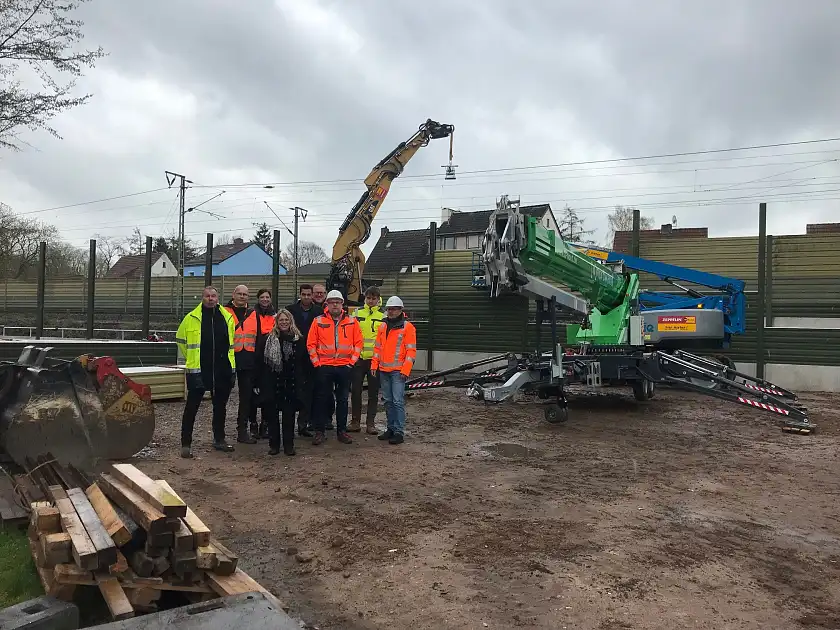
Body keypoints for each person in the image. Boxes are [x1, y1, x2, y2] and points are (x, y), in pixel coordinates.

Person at [176, 286, 237, 458]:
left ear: (218, 298)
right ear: (202, 298)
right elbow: (180, 340)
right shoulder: (191, 318)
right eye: (207, 296)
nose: (210, 299)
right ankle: (186, 443)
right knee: (191, 408)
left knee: (220, 407)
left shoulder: (227, 317)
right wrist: (191, 360)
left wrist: (231, 368)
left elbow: (231, 344)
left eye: (213, 296)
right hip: (199, 370)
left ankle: (219, 439)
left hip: (222, 369)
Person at [306, 289, 362, 446]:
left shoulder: (352, 321)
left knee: (343, 400)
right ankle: (319, 431)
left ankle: (341, 431)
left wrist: (352, 362)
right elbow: (311, 344)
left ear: (342, 304)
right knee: (321, 399)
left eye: (338, 302)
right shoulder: (318, 321)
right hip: (324, 366)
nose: (335, 304)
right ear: (327, 304)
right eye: (332, 302)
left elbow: (358, 342)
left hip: (345, 367)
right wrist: (317, 363)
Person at [371, 296, 417, 445]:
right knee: (388, 401)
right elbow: (377, 348)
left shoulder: (407, 327)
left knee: (397, 401)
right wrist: (374, 365)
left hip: (398, 371)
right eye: (389, 309)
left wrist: (406, 369)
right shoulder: (383, 326)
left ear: (400, 310)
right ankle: (390, 428)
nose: (391, 312)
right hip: (384, 370)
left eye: (394, 309)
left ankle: (398, 431)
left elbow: (411, 351)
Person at [261, 309, 306, 456]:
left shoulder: (298, 339)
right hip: (273, 382)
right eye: (281, 320)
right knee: (272, 417)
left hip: (291, 383)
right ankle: (274, 446)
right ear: (276, 322)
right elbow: (262, 363)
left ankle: (289, 446)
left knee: (289, 417)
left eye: (286, 320)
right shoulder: (268, 339)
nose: (284, 322)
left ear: (291, 321)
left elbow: (302, 362)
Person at [223, 285, 257, 444]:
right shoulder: (224, 311)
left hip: (248, 358)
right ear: (233, 295)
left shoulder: (253, 314)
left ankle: (242, 431)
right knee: (222, 396)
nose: (242, 297)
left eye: (245, 294)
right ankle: (219, 433)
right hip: (228, 358)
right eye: (240, 294)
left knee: (246, 397)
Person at [349, 286, 384, 434]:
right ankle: (355, 422)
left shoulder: (383, 317)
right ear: (365, 298)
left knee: (373, 393)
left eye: (374, 298)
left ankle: (370, 423)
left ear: (378, 300)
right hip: (358, 359)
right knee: (356, 391)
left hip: (375, 361)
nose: (371, 301)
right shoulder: (356, 314)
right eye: (369, 298)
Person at [244, 288, 277, 440]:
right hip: (253, 358)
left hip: (268, 360)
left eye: (267, 297)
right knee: (251, 394)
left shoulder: (275, 316)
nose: (265, 299)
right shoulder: (251, 314)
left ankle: (265, 423)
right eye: (262, 297)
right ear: (258, 299)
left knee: (268, 394)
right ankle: (253, 423)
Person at [287, 284, 318, 437]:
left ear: (312, 295)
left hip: (313, 357)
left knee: (309, 391)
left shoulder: (318, 312)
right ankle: (289, 425)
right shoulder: (291, 310)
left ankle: (304, 424)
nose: (306, 297)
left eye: (308, 294)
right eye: (303, 294)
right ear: (300, 294)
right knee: (294, 391)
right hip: (294, 356)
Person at [310, 283, 334, 431]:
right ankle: (312, 419)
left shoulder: (330, 311)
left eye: (322, 293)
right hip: (311, 358)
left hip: (327, 361)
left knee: (328, 392)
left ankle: (327, 418)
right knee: (312, 391)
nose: (319, 295)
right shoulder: (305, 309)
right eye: (316, 292)